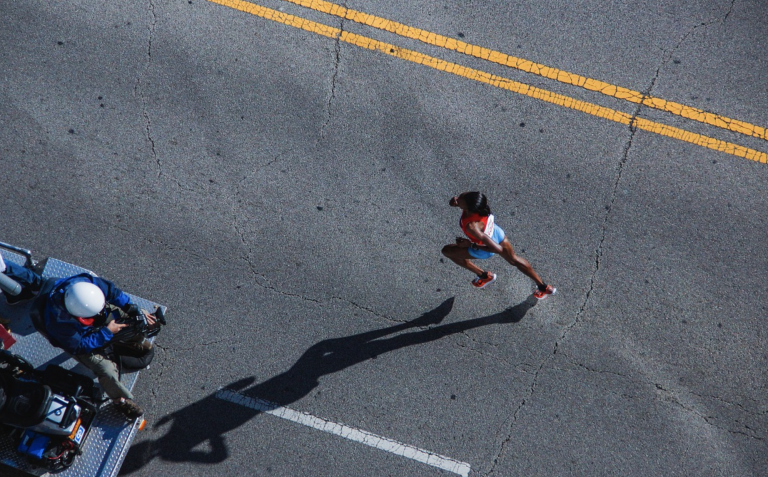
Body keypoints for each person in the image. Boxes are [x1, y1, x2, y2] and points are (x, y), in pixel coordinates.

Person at [0, 252, 153, 418]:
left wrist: (131, 308)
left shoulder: (86, 286)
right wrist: (106, 332)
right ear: (76, 316)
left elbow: (112, 292)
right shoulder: (58, 323)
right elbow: (80, 345)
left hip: (97, 319)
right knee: (107, 371)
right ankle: (120, 400)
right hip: (81, 339)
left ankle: (133, 340)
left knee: (141, 316)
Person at [441, 191, 556, 299]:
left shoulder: (472, 227)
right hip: (497, 233)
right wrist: (457, 203)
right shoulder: (479, 205)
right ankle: (544, 287)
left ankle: (484, 276)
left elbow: (497, 249)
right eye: (460, 196)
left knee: (447, 251)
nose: (457, 198)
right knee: (514, 260)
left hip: (485, 247)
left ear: (469, 208)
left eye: (460, 200)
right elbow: (462, 203)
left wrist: (470, 245)